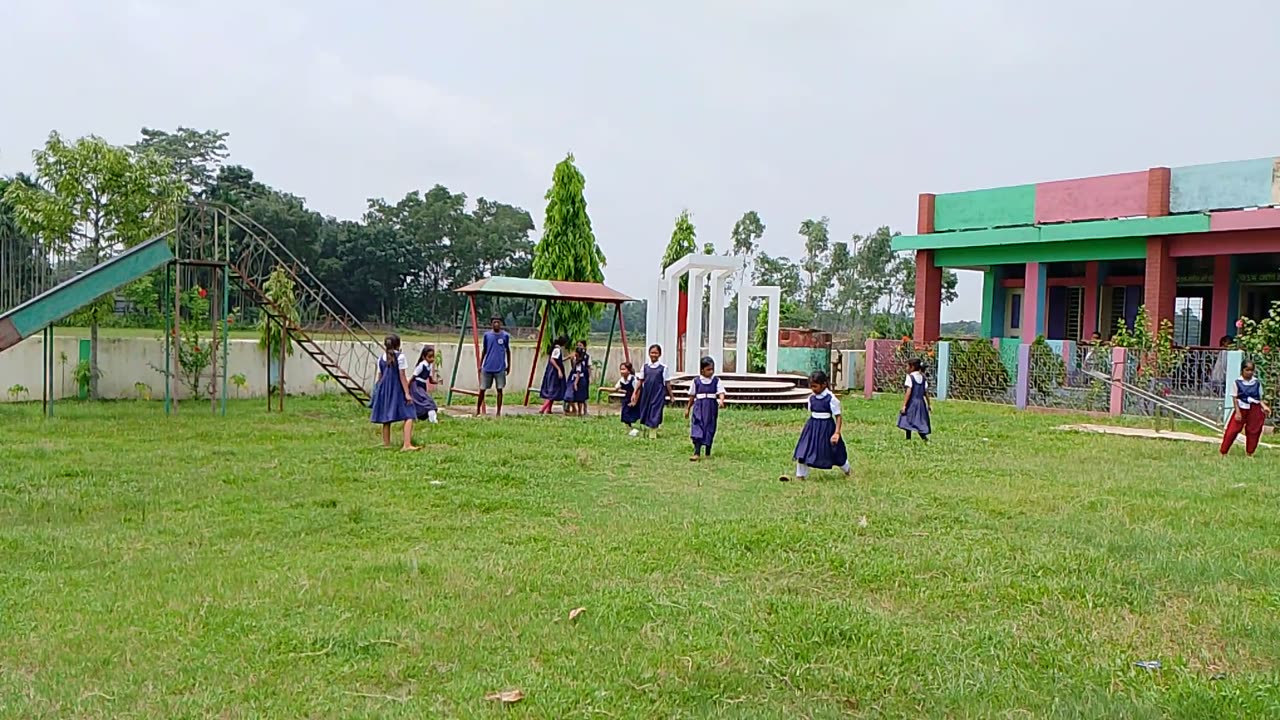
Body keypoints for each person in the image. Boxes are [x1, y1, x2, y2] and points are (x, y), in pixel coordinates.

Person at [786, 370, 850, 480]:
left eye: (815, 386)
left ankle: (847, 469)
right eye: (811, 387)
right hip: (812, 427)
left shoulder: (831, 399)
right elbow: (812, 411)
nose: (813, 389)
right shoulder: (811, 398)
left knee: (834, 451)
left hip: (826, 428)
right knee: (804, 449)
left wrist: (836, 433)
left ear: (824, 384)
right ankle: (800, 475)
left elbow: (838, 416)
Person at [369, 334, 419, 451]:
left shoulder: (381, 358)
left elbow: (379, 376)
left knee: (386, 417)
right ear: (398, 344)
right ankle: (407, 444)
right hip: (397, 389)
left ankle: (386, 444)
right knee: (409, 413)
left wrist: (377, 392)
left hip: (384, 390)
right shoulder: (400, 357)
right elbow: (402, 376)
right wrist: (407, 393)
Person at [1220, 360, 1271, 457]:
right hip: (1242, 407)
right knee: (1232, 430)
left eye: (1251, 370)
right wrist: (1237, 412)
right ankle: (1223, 451)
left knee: (1254, 430)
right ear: (1242, 370)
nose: (1249, 372)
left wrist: (1264, 407)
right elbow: (1235, 398)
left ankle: (1249, 452)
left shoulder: (1256, 383)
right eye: (1247, 370)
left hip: (1254, 408)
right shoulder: (1237, 383)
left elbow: (1259, 398)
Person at [685, 356, 727, 460]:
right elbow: (692, 396)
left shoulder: (716, 381)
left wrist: (721, 400)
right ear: (702, 370)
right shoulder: (696, 381)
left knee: (710, 427)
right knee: (697, 426)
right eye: (708, 369)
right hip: (699, 406)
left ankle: (708, 451)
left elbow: (721, 392)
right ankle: (697, 452)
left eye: (712, 369)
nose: (711, 372)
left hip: (711, 407)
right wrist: (688, 408)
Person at [636, 344, 674, 438]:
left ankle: (653, 433)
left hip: (658, 393)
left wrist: (671, 395)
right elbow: (640, 381)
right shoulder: (645, 367)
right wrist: (635, 392)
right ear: (649, 354)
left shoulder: (663, 368)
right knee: (646, 410)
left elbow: (667, 382)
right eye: (652, 352)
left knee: (655, 411)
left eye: (656, 353)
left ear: (659, 354)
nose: (654, 355)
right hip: (647, 392)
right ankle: (648, 430)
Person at [477, 316, 512, 416]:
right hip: (487, 367)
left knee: (499, 389)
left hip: (500, 368)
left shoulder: (505, 336)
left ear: (501, 323)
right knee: (482, 389)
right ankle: (478, 410)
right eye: (494, 322)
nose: (496, 324)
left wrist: (509, 365)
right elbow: (484, 350)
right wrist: (480, 364)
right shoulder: (487, 335)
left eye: (498, 322)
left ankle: (498, 412)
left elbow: (508, 351)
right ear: (491, 324)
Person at [897, 357, 932, 442]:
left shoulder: (910, 377)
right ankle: (924, 438)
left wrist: (904, 405)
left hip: (912, 402)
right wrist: (929, 404)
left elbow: (908, 392)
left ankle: (908, 438)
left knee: (908, 420)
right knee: (919, 420)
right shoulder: (923, 378)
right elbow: (925, 392)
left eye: (907, 366)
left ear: (912, 367)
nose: (906, 368)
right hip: (921, 403)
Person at [409, 345, 440, 424]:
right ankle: (432, 419)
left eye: (433, 357)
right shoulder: (421, 365)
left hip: (422, 386)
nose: (432, 359)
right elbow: (413, 377)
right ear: (424, 357)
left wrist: (437, 381)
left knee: (422, 402)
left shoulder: (428, 366)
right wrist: (407, 388)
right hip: (416, 386)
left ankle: (423, 416)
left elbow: (430, 380)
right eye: (430, 357)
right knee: (427, 401)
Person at [538, 336, 568, 414]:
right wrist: (559, 370)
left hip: (551, 371)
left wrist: (568, 357)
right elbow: (552, 360)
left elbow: (558, 359)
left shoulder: (556, 349)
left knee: (553, 391)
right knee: (552, 391)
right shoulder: (557, 350)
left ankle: (549, 409)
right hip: (554, 373)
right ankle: (543, 409)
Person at [617, 361, 642, 435]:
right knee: (624, 413)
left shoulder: (633, 379)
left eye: (624, 369)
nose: (622, 371)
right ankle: (629, 429)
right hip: (627, 397)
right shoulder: (622, 380)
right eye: (621, 369)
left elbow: (638, 390)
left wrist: (635, 402)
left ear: (629, 370)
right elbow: (616, 388)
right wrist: (602, 389)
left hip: (635, 397)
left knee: (636, 413)